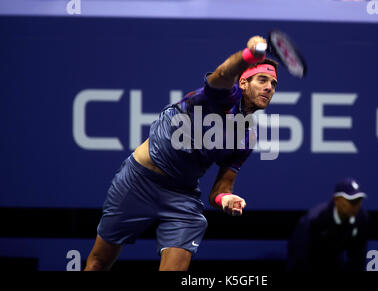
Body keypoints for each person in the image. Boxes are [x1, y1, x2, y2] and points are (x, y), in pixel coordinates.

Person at [84, 35, 279, 271]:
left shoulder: (247, 137)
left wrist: (225, 200)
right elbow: (223, 73)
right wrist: (249, 55)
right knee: (98, 262)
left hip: (181, 195)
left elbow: (220, 190)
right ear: (244, 83)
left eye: (273, 84)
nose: (269, 87)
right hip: (138, 180)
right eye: (262, 80)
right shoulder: (221, 96)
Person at [287, 177, 369, 271]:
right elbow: (301, 257)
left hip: (334, 257)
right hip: (306, 257)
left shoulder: (361, 217)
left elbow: (358, 257)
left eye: (359, 201)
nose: (356, 206)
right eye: (352, 201)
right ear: (337, 200)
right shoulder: (314, 220)